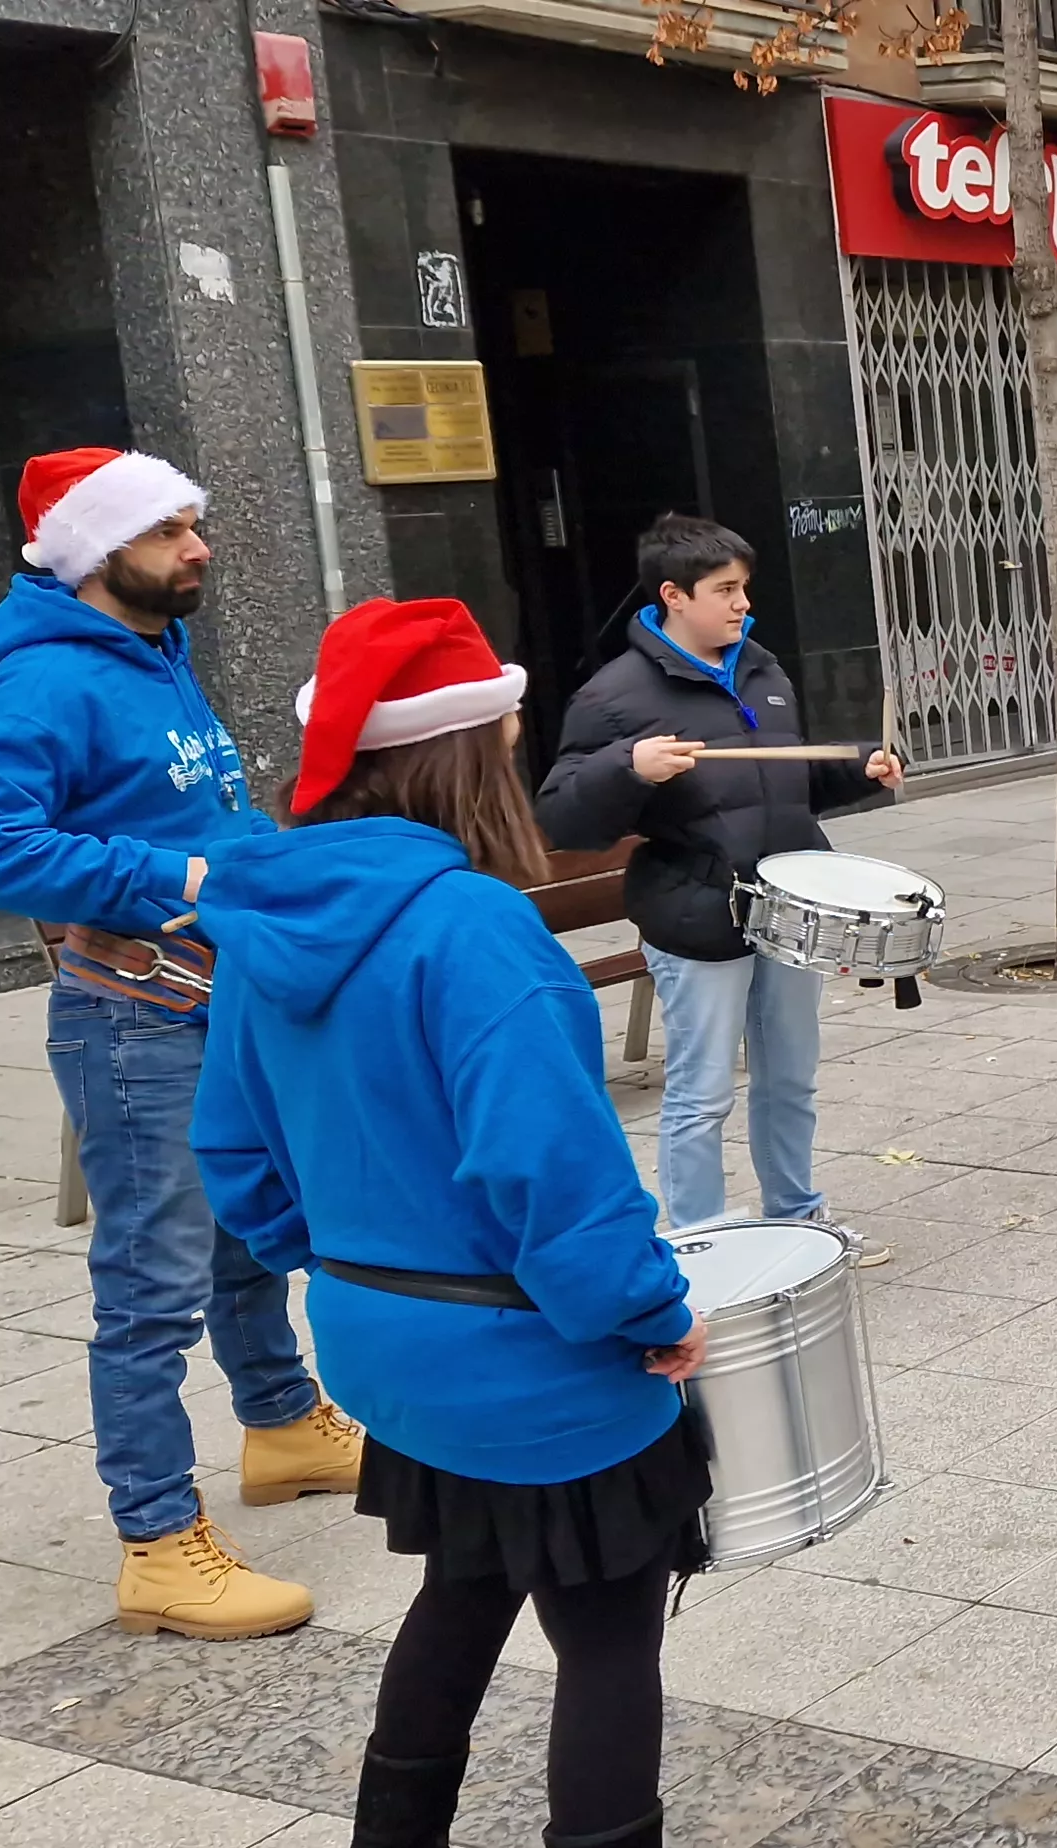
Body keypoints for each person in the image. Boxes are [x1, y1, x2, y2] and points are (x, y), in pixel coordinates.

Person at [192, 597, 706, 1848]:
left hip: (380, 1341)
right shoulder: (473, 928)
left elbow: (237, 1159)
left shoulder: (263, 925)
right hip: (532, 1359)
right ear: (462, 752)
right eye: (509, 738)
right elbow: (553, 1179)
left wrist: (350, 1265)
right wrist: (650, 1313)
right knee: (606, 1639)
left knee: (467, 1584)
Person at [0, 447, 358, 1642]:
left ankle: (281, 1428)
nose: (198, 546)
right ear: (93, 551)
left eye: (194, 523)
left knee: (247, 1238)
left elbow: (195, 814)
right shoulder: (46, 681)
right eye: (168, 530)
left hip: (213, 1004)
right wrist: (176, 876)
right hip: (134, 1024)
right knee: (151, 1285)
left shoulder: (155, 655)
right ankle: (159, 1544)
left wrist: (267, 862)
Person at [536, 515, 904, 1231]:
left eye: (744, 587)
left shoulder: (762, 670)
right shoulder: (613, 697)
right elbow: (563, 819)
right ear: (674, 595)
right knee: (702, 1095)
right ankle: (700, 1241)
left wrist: (860, 767)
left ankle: (797, 1216)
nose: (743, 604)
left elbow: (784, 785)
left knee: (790, 1080)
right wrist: (628, 768)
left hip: (792, 910)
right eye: (725, 590)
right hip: (697, 914)